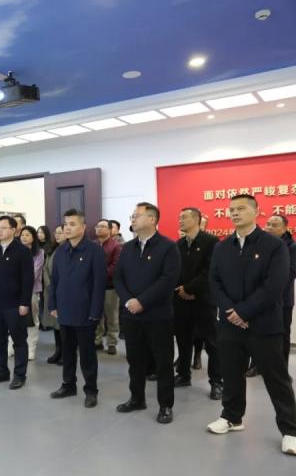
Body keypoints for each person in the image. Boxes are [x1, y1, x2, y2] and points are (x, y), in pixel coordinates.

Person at [207, 194, 296, 455]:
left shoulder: (273, 245)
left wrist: (244, 312)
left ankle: (291, 430)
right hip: (230, 324)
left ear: (257, 211)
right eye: (232, 209)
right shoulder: (222, 247)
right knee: (231, 373)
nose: (235, 213)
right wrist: (230, 311)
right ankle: (232, 417)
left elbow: (275, 284)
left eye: (241, 208)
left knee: (276, 378)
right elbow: (215, 282)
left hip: (264, 324)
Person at [114, 202, 180, 424]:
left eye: (137, 215)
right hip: (131, 315)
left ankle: (165, 405)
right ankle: (137, 398)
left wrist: (142, 301)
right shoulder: (127, 248)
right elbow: (118, 277)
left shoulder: (168, 247)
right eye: (132, 216)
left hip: (158, 316)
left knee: (163, 362)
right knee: (135, 361)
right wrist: (128, 301)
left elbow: (168, 280)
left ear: (152, 219)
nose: (132, 219)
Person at [49, 210, 106, 408]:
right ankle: (68, 385)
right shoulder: (61, 251)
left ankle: (91, 390)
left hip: (85, 312)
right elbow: (54, 281)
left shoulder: (94, 251)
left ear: (83, 227)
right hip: (64, 310)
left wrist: (95, 312)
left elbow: (99, 284)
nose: (67, 227)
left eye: (72, 224)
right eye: (66, 224)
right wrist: (53, 304)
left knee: (87, 354)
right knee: (67, 351)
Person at [173, 208, 222, 400]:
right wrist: (181, 290)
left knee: (212, 343)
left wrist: (190, 289)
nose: (180, 220)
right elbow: (175, 271)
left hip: (204, 300)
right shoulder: (178, 244)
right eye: (179, 217)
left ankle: (216, 382)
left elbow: (209, 271)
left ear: (196, 219)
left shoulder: (211, 242)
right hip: (181, 300)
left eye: (184, 217)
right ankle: (183, 375)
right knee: (183, 340)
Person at [0, 215, 34, 390]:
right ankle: (1, 371)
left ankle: (19, 375)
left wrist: (24, 303)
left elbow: (28, 279)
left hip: (15, 305)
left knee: (19, 341)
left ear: (13, 230)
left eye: (3, 228)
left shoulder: (22, 251)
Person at [247, 214, 296, 377]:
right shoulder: (260, 245)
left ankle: (281, 370)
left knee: (282, 335)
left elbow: (290, 273)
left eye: (274, 225)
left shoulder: (292, 247)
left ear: (284, 228)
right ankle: (257, 366)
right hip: (259, 299)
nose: (269, 227)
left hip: (282, 300)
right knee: (257, 332)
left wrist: (268, 289)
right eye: (268, 224)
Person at [94, 219, 122, 355]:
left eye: (103, 226)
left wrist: (99, 275)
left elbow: (115, 266)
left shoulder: (116, 246)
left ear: (110, 230)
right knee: (96, 316)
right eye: (98, 226)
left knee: (112, 316)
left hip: (110, 287)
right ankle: (97, 340)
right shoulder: (92, 245)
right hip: (94, 287)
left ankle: (112, 343)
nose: (99, 228)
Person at [16, 226, 44, 361]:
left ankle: (30, 348)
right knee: (15, 320)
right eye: (22, 235)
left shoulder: (39, 253)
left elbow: (33, 273)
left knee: (32, 320)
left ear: (33, 237)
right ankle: (13, 346)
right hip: (15, 291)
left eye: (27, 235)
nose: (24, 237)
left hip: (32, 290)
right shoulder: (16, 251)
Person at [43, 226, 64, 365]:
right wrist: (50, 284)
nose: (57, 235)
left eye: (60, 233)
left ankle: (65, 353)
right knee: (55, 323)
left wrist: (57, 286)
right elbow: (45, 269)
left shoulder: (68, 249)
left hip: (62, 290)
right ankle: (58, 350)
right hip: (50, 289)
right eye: (56, 233)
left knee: (62, 324)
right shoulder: (53, 249)